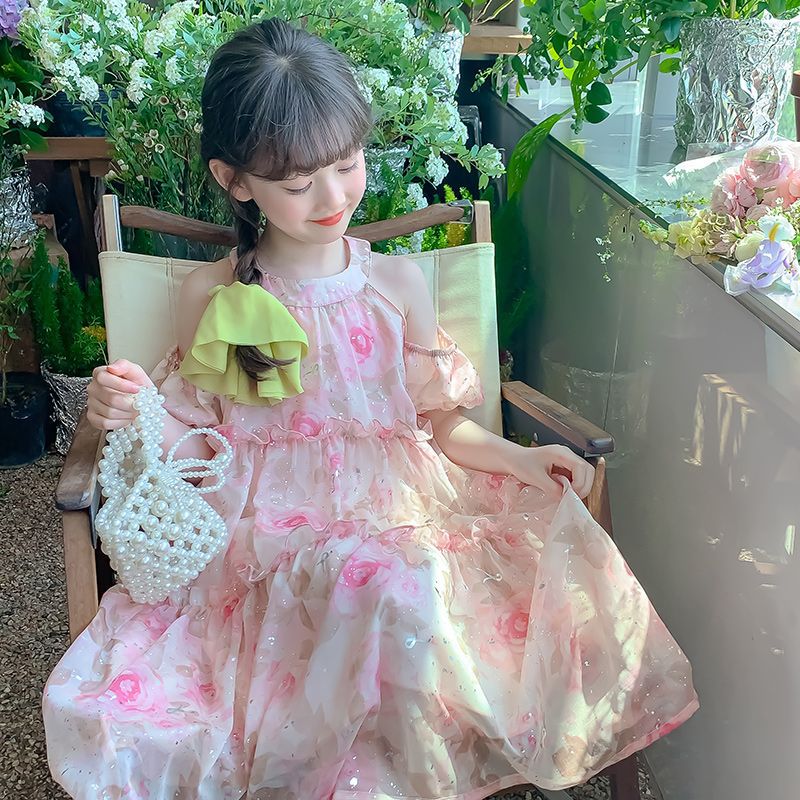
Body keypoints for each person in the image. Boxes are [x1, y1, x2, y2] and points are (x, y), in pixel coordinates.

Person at [43, 18, 698, 800]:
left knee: (416, 582)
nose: (333, 198)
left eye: (347, 165)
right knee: (375, 582)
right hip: (273, 527)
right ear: (236, 180)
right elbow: (199, 430)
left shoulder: (395, 286)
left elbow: (440, 423)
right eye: (298, 185)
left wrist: (522, 457)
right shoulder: (214, 295)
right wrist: (133, 406)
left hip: (401, 507)